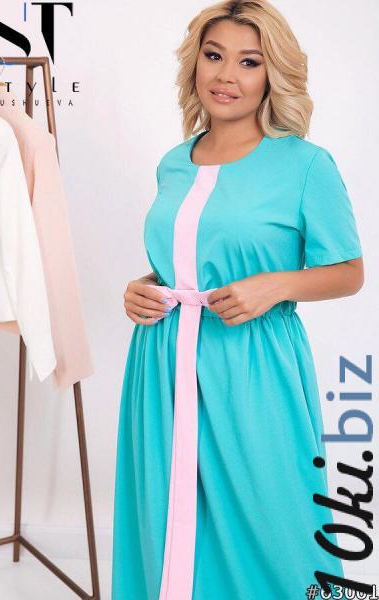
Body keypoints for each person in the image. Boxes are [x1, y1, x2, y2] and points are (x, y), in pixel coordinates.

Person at [111, 1, 364, 598]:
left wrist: (276, 285)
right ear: (194, 63)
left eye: (249, 62)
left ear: (273, 73)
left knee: (278, 514)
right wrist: (142, 286)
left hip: (252, 362)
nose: (226, 76)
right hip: (161, 362)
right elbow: (183, 257)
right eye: (214, 55)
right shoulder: (175, 163)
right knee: (166, 511)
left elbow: (349, 272)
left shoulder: (304, 165)